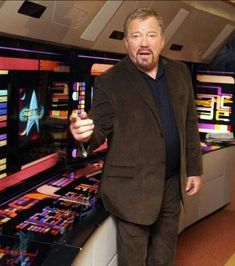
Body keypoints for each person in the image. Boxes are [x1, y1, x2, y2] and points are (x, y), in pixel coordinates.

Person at [70, 7, 203, 266]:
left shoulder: (180, 72)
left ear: (162, 40)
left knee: (164, 257)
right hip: (131, 191)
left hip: (172, 185)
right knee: (133, 261)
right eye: (136, 36)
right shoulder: (110, 81)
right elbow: (99, 129)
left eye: (151, 35)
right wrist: (83, 135)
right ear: (126, 42)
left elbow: (189, 122)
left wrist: (194, 169)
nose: (144, 43)